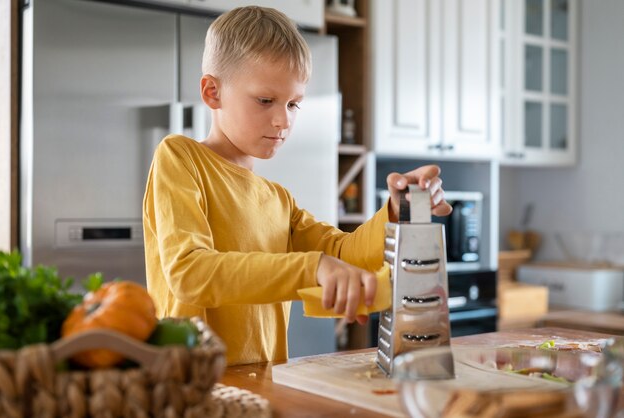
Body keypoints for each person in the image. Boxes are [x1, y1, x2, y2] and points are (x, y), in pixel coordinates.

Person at [143, 6, 452, 366]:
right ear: (213, 92)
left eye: (293, 104)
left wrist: (398, 209)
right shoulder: (180, 159)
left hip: (265, 383)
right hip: (191, 388)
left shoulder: (277, 199)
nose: (283, 120)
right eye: (265, 100)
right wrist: (312, 268)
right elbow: (190, 273)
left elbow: (343, 253)